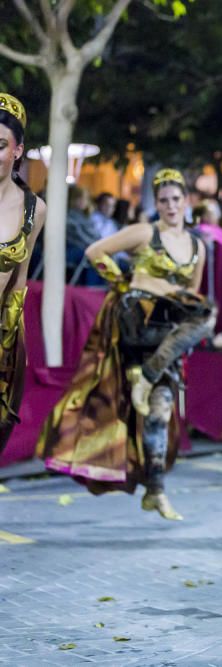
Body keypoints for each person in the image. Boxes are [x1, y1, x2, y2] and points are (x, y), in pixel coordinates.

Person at [38, 169, 214, 521]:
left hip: (166, 337)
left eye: (176, 199)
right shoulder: (144, 232)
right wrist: (124, 281)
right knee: (200, 317)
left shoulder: (198, 246)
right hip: (137, 322)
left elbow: (191, 295)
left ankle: (156, 490)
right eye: (163, 200)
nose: (170, 206)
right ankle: (146, 377)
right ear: (156, 204)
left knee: (160, 412)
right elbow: (94, 251)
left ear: (187, 202)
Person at [0, 93, 45, 455]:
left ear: (17, 151)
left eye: (1, 144)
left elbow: (20, 279)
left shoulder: (35, 208)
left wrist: (14, 348)